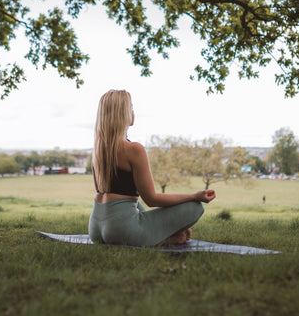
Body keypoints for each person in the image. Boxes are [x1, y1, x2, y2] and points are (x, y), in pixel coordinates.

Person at [89, 89, 216, 246]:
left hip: (95, 228)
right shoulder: (134, 149)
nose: (133, 112)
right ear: (123, 114)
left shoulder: (98, 151)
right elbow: (152, 199)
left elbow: (103, 190)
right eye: (131, 108)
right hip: (123, 230)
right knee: (195, 208)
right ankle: (167, 238)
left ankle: (159, 234)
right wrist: (194, 196)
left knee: (135, 204)